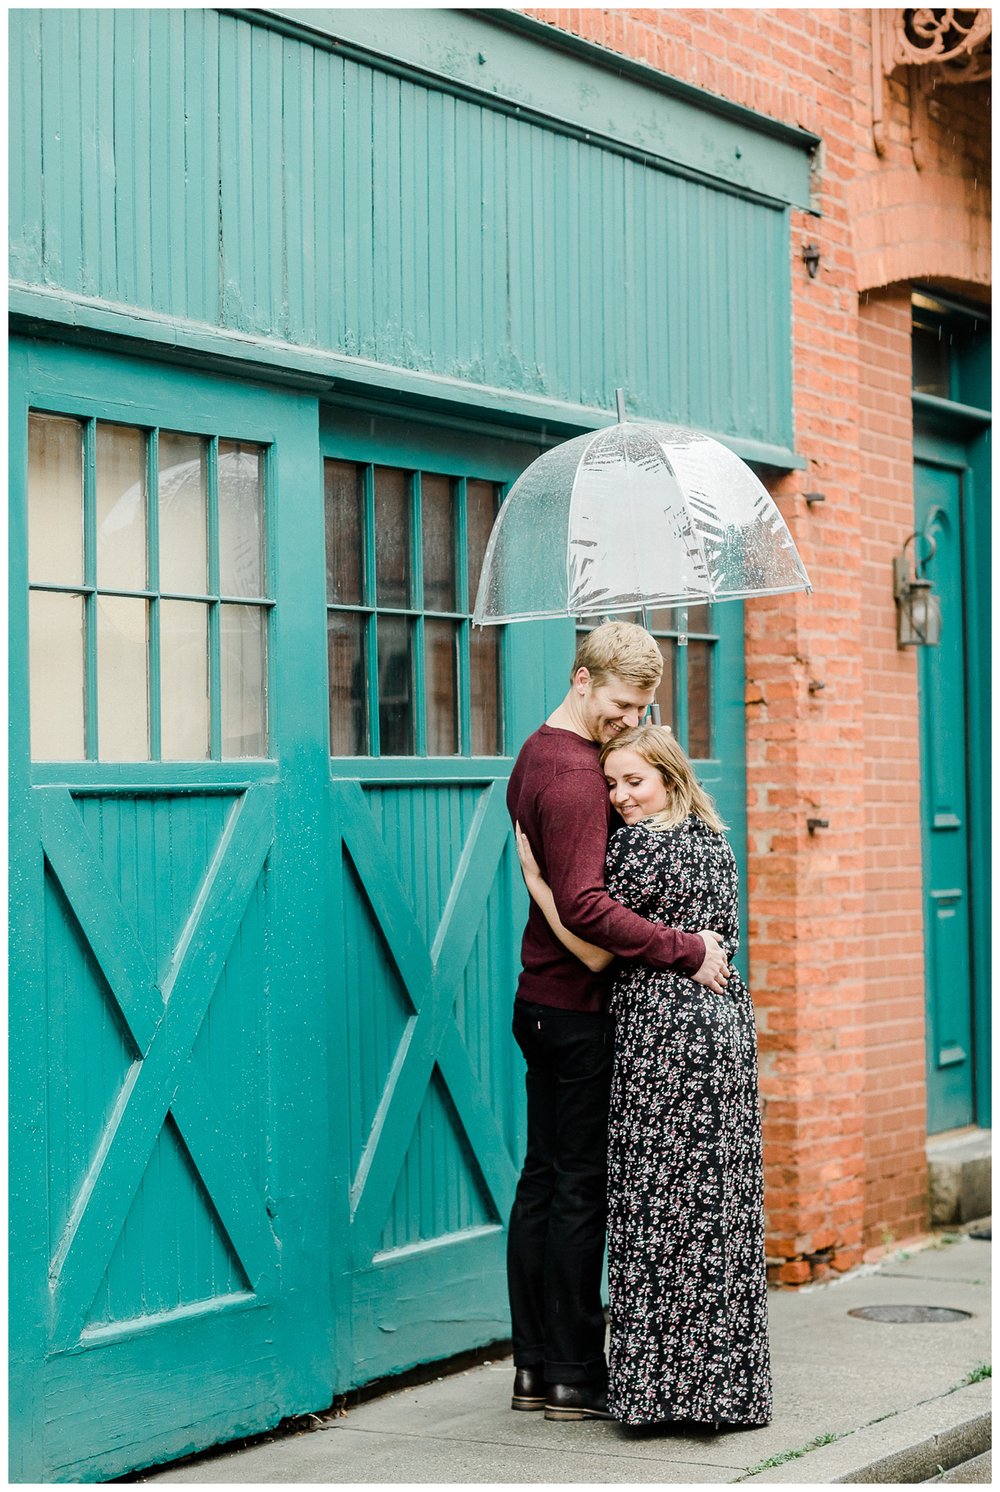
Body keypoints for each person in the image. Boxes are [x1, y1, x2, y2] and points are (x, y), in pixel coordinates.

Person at [515, 723, 772, 1430]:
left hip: (663, 1041)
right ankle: (727, 1387)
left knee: (656, 1212)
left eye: (636, 781)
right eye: (613, 784)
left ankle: (663, 1394)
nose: (622, 797)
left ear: (671, 778)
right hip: (720, 1032)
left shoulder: (634, 849)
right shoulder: (712, 839)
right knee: (715, 1209)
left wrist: (540, 883)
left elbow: (590, 931)